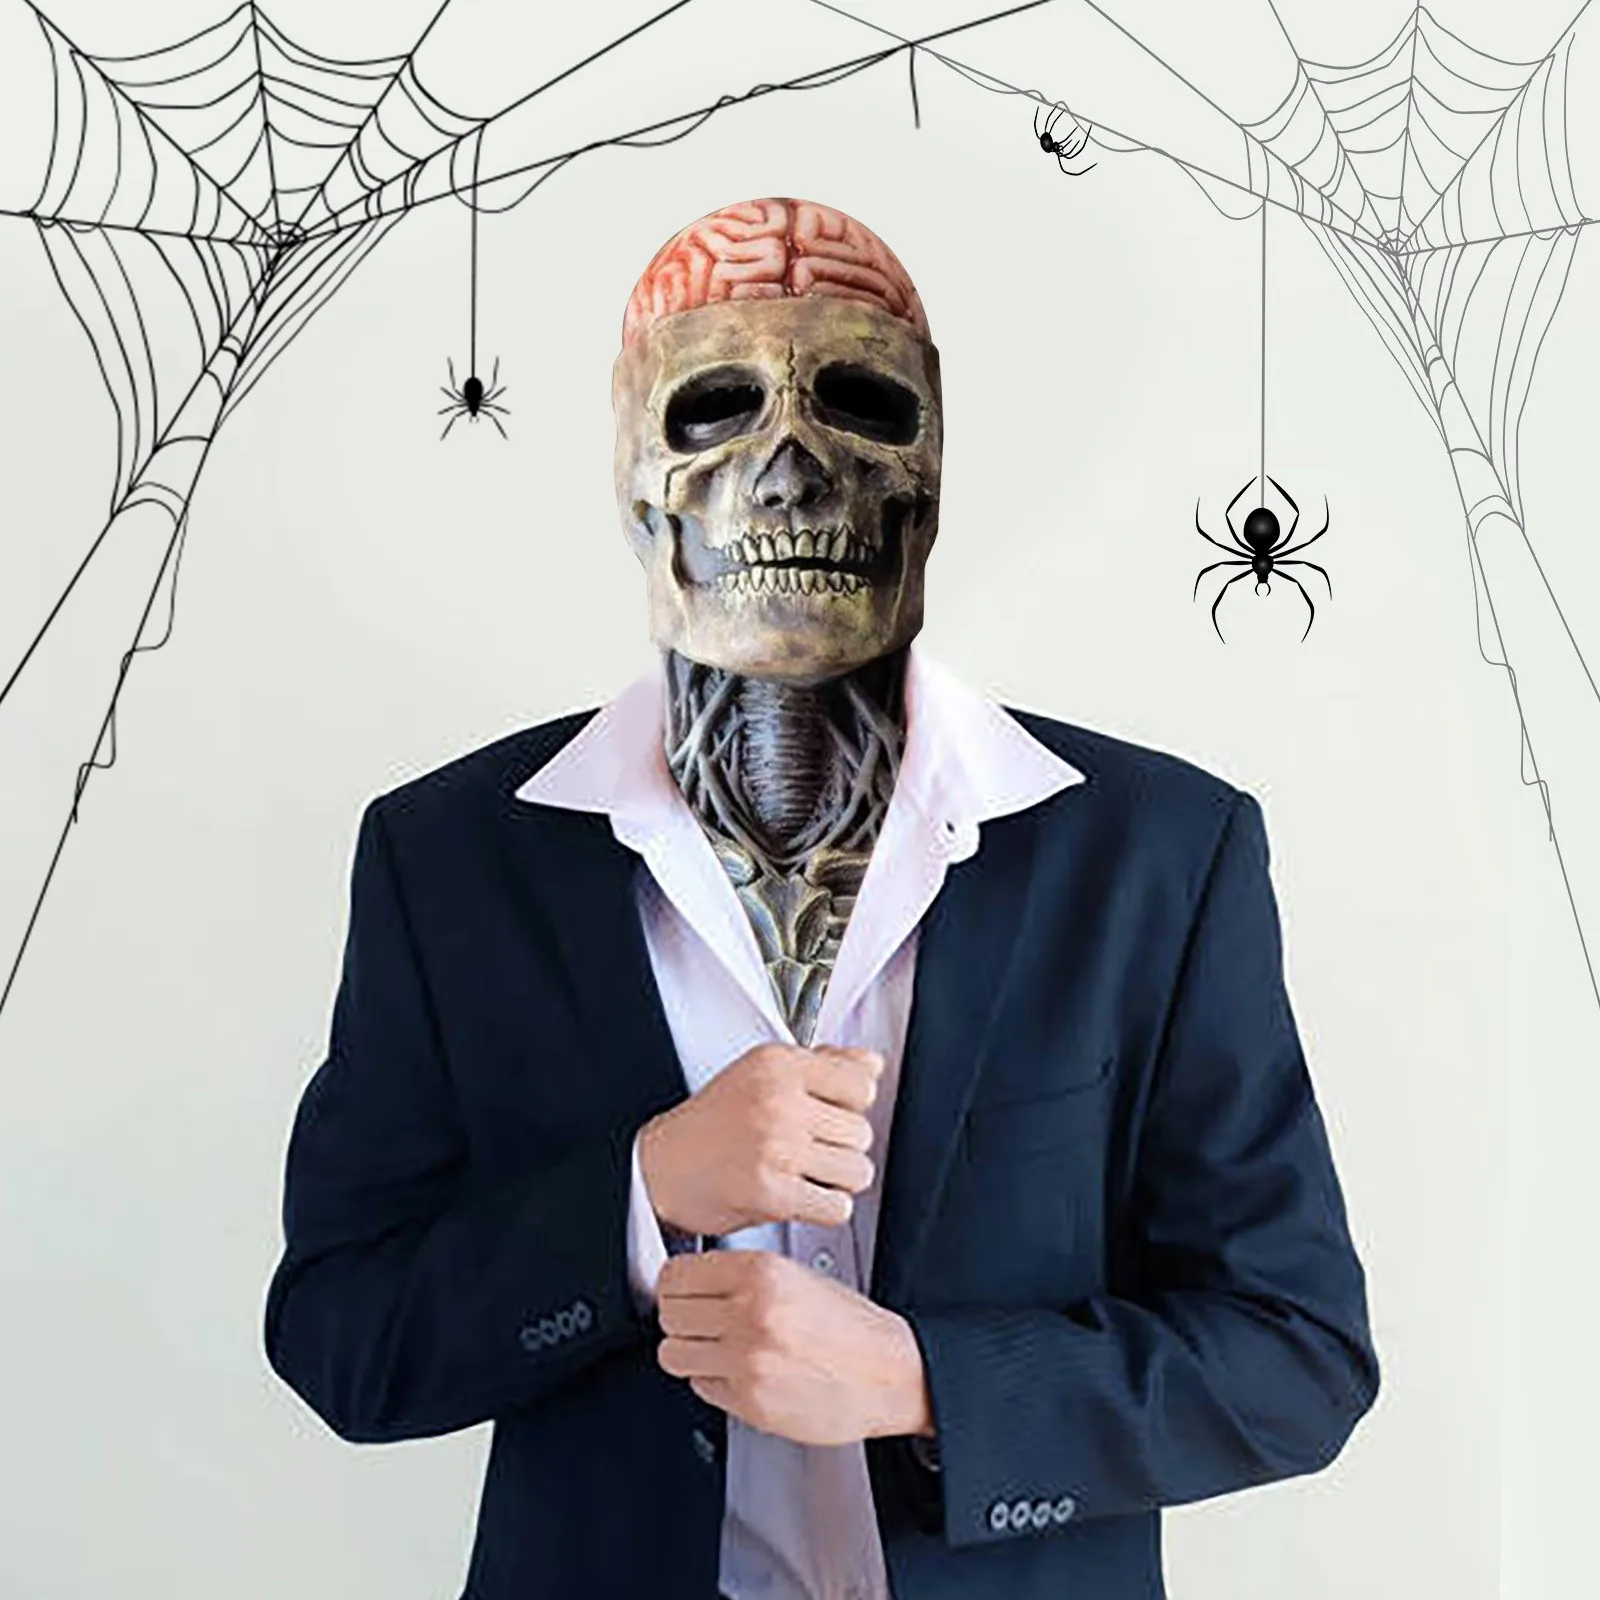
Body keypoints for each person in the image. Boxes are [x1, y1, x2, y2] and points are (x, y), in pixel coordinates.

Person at [263, 196, 1379, 1600]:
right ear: (633, 467)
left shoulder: (1155, 856)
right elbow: (342, 1334)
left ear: (933, 466)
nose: (788, 477)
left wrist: (926, 1383)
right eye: (716, 410)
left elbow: (1297, 1353)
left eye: (860, 406)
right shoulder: (456, 860)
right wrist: (637, 1199)